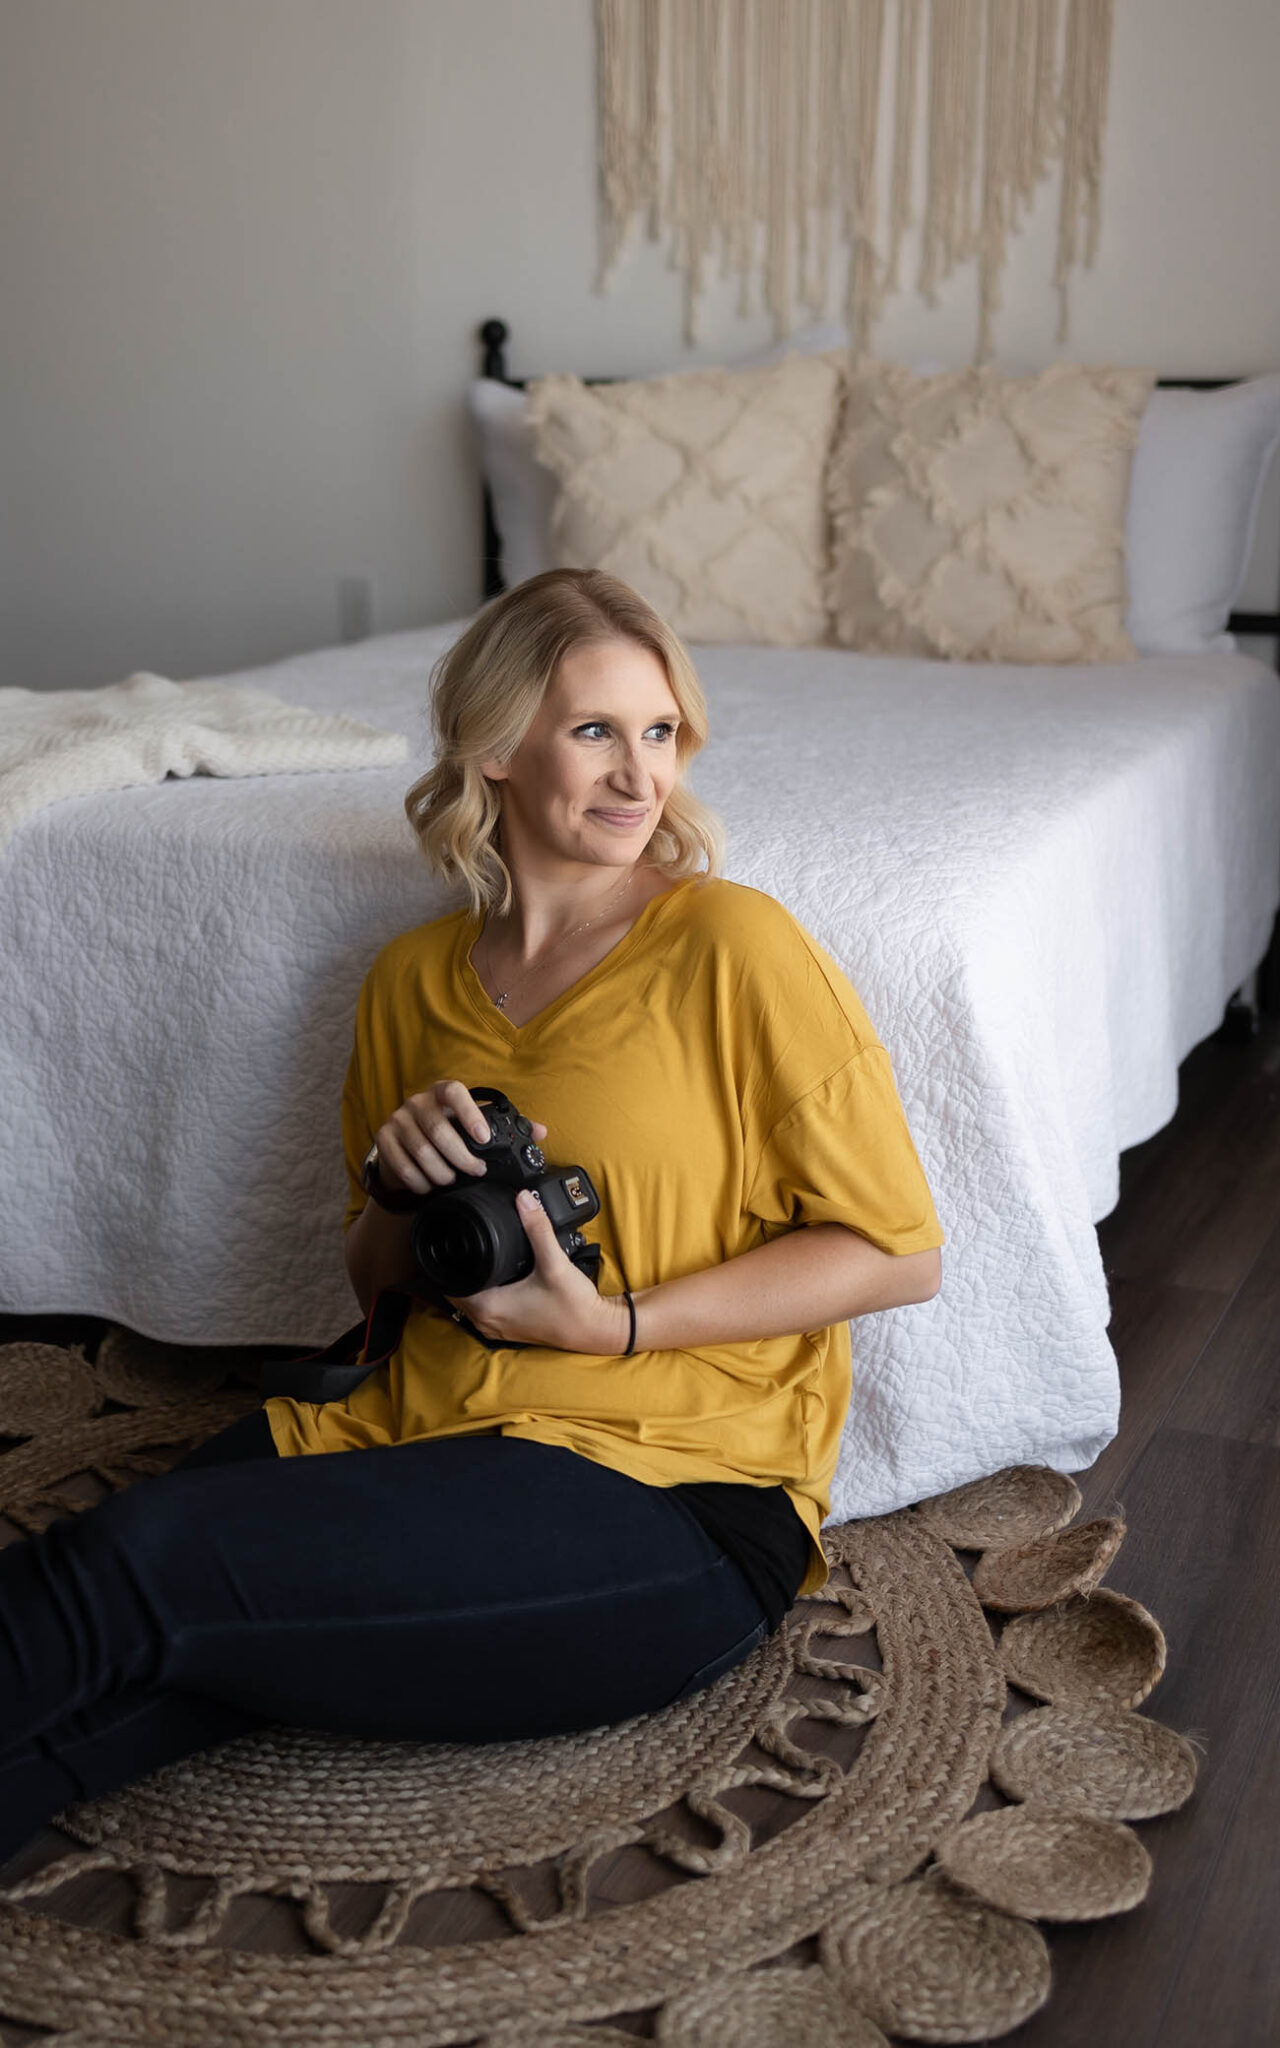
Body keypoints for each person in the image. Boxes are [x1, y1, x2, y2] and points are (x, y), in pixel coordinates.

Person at [0, 568, 944, 1865]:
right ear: (497, 748)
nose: (640, 776)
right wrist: (397, 1191)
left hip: (669, 1491)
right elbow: (374, 1283)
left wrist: (613, 1326)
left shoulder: (733, 946)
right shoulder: (411, 981)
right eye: (596, 731)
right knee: (123, 1644)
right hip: (404, 1428)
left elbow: (898, 1253)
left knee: (140, 1562)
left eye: (660, 731)